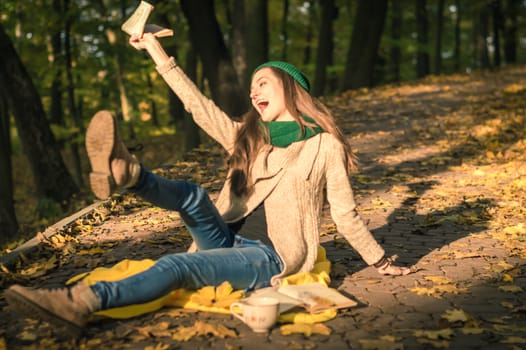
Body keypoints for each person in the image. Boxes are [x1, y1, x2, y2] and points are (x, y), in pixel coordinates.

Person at [5, 33, 410, 334]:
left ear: (290, 87)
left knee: (178, 266)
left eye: (262, 83)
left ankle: (78, 303)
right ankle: (128, 173)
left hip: (267, 257)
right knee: (195, 196)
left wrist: (381, 260)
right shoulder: (249, 136)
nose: (253, 92)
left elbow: (344, 212)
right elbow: (198, 107)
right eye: (252, 87)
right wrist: (157, 52)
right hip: (223, 237)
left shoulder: (324, 146)